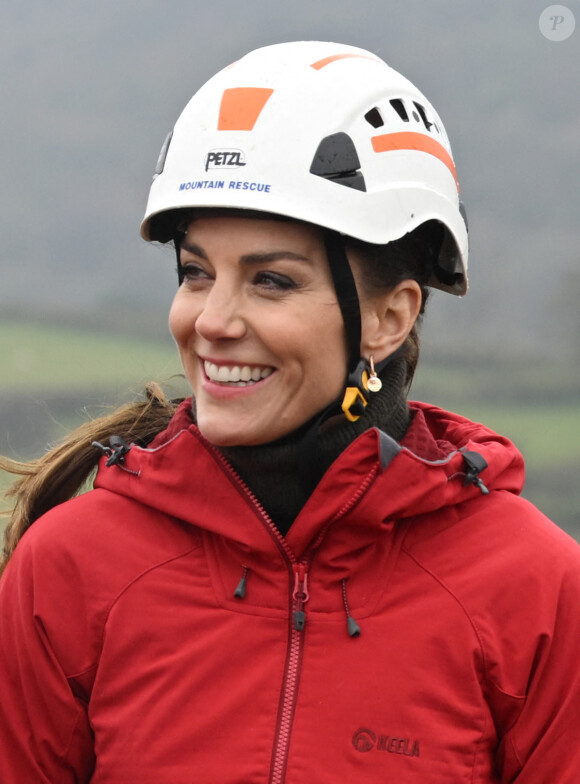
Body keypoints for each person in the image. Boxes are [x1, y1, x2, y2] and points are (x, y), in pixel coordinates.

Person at [0, 40, 579, 783]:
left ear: (389, 317)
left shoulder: (535, 590)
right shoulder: (70, 569)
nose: (212, 319)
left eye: (271, 280)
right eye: (195, 272)